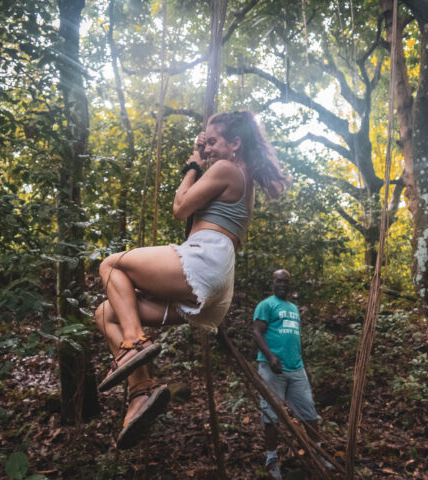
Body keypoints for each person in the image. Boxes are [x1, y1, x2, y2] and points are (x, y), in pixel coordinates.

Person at [94, 111, 288, 450]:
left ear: (236, 144)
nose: (209, 148)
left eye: (214, 142)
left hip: (204, 259)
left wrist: (193, 165)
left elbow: (181, 207)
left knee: (111, 266)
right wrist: (203, 149)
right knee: (106, 312)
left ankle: (134, 344)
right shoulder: (244, 178)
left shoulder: (226, 169)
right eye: (206, 143)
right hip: (216, 285)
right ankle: (140, 392)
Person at [253, 269, 329, 479]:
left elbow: (293, 338)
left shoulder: (294, 308)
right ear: (273, 283)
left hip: (296, 369)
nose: (282, 284)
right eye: (279, 281)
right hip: (272, 368)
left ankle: (317, 453)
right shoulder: (266, 305)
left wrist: (302, 365)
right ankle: (271, 459)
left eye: (286, 281)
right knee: (271, 415)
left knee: (310, 413)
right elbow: (257, 332)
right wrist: (271, 357)